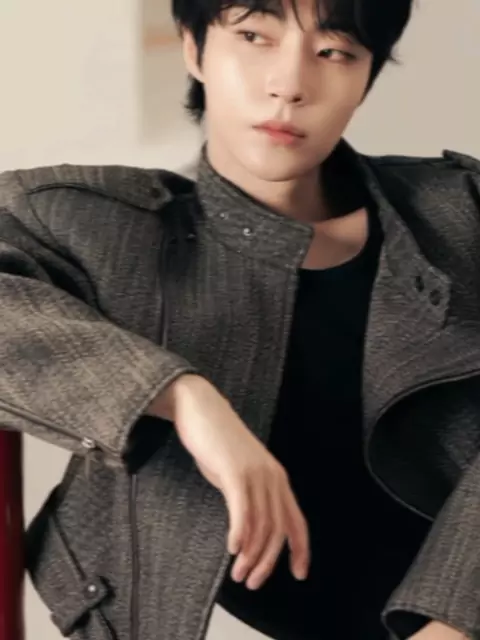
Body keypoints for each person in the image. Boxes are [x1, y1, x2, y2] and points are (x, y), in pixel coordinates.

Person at [1, 0, 480, 638]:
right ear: (194, 48)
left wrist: (456, 619)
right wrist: (183, 397)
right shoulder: (92, 222)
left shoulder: (460, 212)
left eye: (335, 52)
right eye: (254, 37)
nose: (290, 85)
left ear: (366, 77)